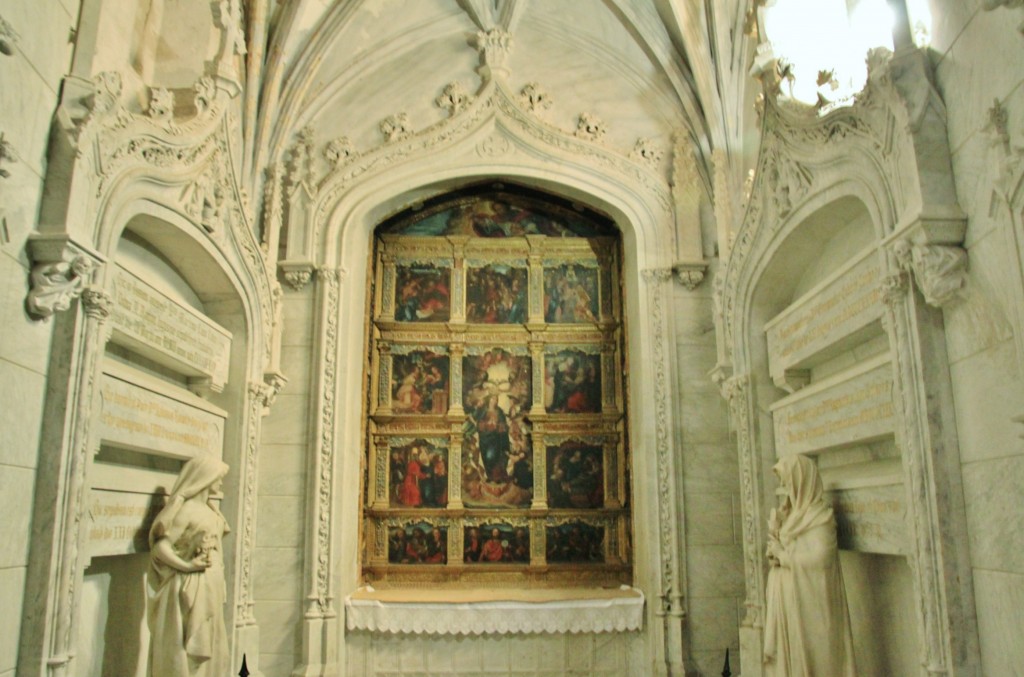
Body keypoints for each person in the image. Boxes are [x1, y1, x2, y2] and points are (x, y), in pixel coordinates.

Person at [764, 454, 856, 677]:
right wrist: (775, 548)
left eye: (788, 483)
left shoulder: (820, 518)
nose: (786, 489)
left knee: (813, 661)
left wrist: (784, 556)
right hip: (789, 603)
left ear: (801, 481)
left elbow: (821, 559)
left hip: (809, 604)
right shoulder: (793, 515)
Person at [147, 454, 230, 677]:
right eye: (218, 477)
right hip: (191, 588)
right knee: (188, 650)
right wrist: (186, 566)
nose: (221, 482)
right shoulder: (187, 510)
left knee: (212, 646)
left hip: (210, 585)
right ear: (206, 477)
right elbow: (160, 547)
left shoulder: (210, 510)